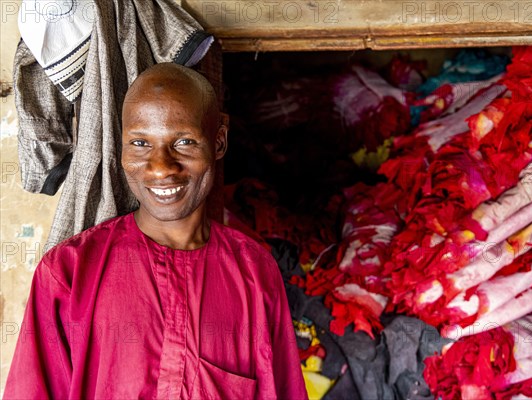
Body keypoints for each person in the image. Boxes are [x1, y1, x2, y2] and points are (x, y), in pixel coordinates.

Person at [4, 63, 308, 400]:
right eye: (140, 143)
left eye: (183, 142)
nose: (161, 167)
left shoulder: (255, 272)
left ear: (218, 141)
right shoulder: (69, 273)